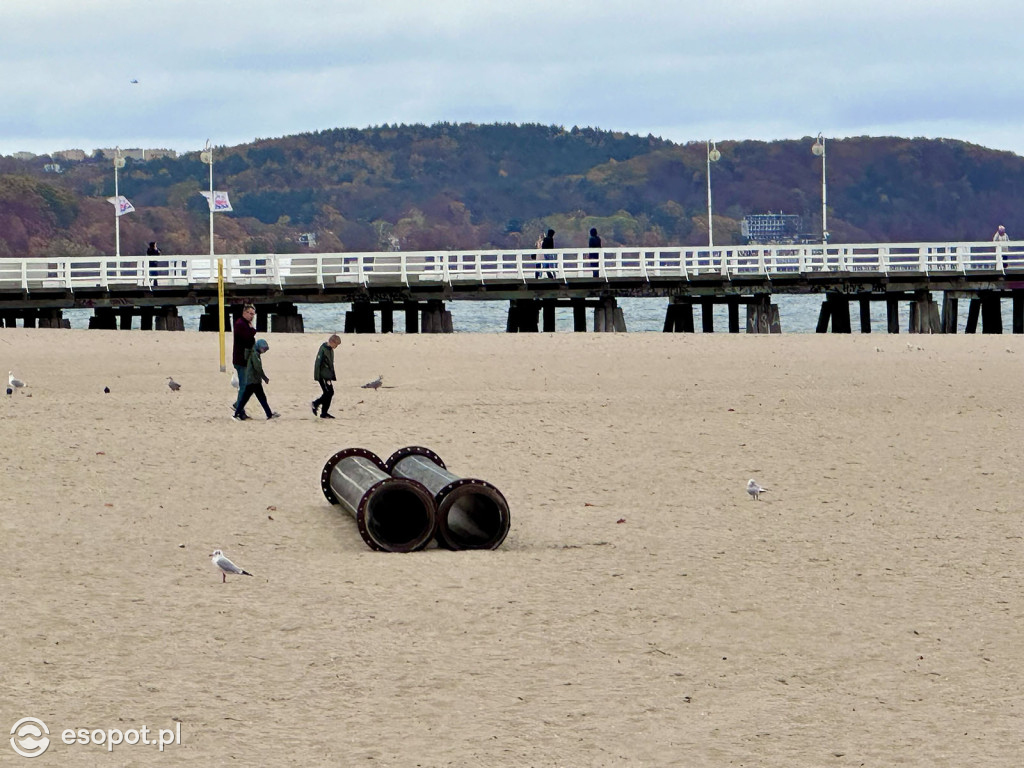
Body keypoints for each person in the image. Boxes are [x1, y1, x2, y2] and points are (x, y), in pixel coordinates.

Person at [234, 339, 279, 420]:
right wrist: (264, 378)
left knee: (254, 398)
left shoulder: (254, 353)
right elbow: (258, 368)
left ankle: (269, 414)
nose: (264, 351)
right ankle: (237, 413)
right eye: (263, 349)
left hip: (253, 380)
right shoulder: (255, 355)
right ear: (259, 347)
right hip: (253, 381)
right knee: (252, 398)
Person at [232, 305, 257, 417]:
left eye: (253, 314)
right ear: (244, 313)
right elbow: (247, 338)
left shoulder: (244, 324)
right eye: (250, 313)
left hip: (245, 359)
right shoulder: (240, 324)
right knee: (244, 385)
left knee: (247, 385)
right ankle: (239, 408)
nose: (252, 316)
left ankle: (238, 405)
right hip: (241, 359)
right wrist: (252, 330)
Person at [311, 334, 341, 419]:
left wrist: (332, 375)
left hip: (327, 375)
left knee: (329, 393)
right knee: (328, 393)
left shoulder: (330, 349)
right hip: (322, 375)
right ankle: (315, 403)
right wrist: (317, 376)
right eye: (336, 344)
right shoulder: (323, 349)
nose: (336, 347)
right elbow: (318, 363)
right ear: (332, 342)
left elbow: (330, 364)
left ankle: (324, 413)